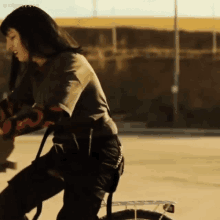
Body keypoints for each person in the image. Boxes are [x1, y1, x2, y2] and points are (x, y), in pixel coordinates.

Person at [0, 5, 124, 220]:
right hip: (65, 152)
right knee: (6, 206)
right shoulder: (37, 69)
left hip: (96, 155)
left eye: (12, 37)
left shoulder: (72, 64)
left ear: (32, 35)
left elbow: (51, 113)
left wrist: (6, 130)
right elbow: (12, 106)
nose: (8, 45)